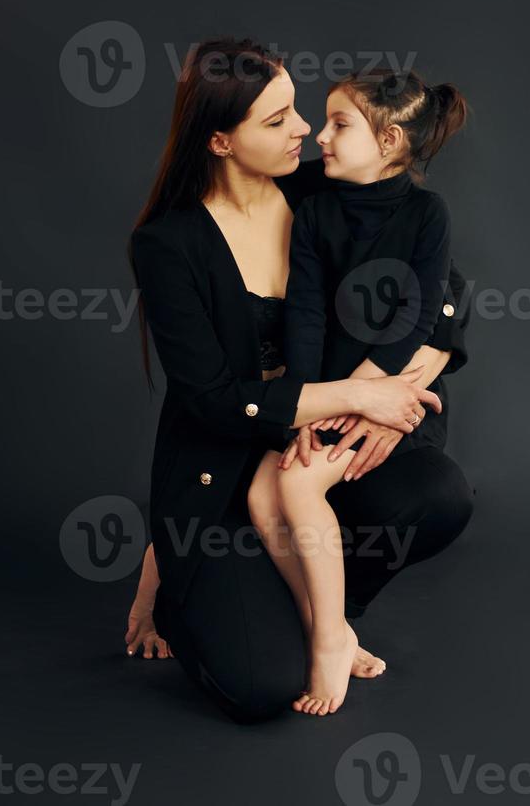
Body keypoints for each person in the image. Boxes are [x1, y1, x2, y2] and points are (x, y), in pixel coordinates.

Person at [127, 36, 474, 723]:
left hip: (319, 444)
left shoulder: (324, 185)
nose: (305, 130)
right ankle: (202, 592)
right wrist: (357, 394)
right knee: (262, 688)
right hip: (228, 472)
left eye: (298, 110)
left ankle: (328, 617)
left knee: (435, 493)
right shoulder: (170, 244)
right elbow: (212, 402)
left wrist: (412, 375)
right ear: (222, 142)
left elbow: (443, 287)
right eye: (277, 119)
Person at [247, 66, 467, 715]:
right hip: (326, 393)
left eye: (339, 124)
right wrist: (309, 400)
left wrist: (358, 395)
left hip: (377, 392)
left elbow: (420, 316)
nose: (320, 134)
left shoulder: (426, 214)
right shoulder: (314, 210)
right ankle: (337, 629)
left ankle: (323, 644)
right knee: (263, 491)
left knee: (292, 484)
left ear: (392, 142)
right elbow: (305, 315)